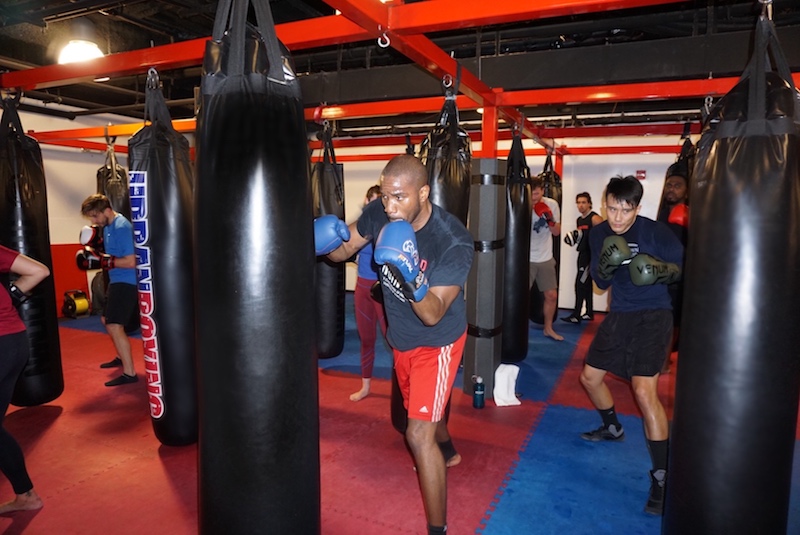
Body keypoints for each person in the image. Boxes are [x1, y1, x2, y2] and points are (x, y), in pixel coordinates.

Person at [315, 155, 472, 535]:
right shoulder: (379, 213)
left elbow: (432, 313)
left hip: (438, 341)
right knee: (425, 415)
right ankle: (448, 450)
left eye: (399, 197)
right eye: (385, 197)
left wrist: (409, 273)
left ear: (423, 192)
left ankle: (439, 529)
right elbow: (340, 253)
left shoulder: (454, 240)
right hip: (399, 339)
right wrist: (328, 238)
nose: (389, 207)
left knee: (416, 433)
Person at [579, 175, 683, 516]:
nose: (618, 218)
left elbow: (682, 270)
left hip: (655, 315)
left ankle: (662, 476)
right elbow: (599, 281)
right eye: (612, 208)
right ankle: (613, 426)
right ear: (605, 202)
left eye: (626, 210)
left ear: (637, 207)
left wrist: (660, 271)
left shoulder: (657, 232)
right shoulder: (598, 233)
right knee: (590, 379)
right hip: (621, 313)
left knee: (643, 390)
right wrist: (607, 265)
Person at [0, 245, 48, 514]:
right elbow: (38, 271)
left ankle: (26, 495)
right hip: (15, 341)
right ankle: (26, 495)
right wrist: (12, 295)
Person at [78, 194, 139, 387]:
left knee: (114, 324)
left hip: (127, 282)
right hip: (115, 280)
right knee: (106, 319)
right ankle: (121, 357)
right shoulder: (107, 227)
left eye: (95, 216)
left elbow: (132, 261)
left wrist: (104, 261)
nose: (94, 221)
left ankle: (130, 373)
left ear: (107, 211)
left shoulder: (122, 227)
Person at [350, 185, 388, 402]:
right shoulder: (361, 228)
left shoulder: (386, 229)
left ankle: (405, 385)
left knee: (392, 339)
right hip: (361, 289)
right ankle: (365, 386)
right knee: (366, 339)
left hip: (381, 289)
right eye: (370, 200)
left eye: (377, 201)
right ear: (366, 202)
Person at [656, 164, 689, 371]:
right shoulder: (662, 218)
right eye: (669, 185)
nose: (671, 189)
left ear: (687, 191)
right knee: (659, 318)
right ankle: (661, 357)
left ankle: (665, 360)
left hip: (679, 277)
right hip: (660, 275)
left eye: (677, 186)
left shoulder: (689, 214)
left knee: (673, 321)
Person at [529, 178, 563, 340]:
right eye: (531, 193)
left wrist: (549, 218)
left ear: (542, 190)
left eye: (536, 193)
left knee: (551, 295)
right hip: (525, 259)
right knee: (519, 297)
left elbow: (556, 232)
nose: (534, 196)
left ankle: (548, 328)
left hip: (545, 257)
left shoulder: (552, 204)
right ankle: (517, 331)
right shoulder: (521, 203)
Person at [561, 192, 603, 324]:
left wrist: (598, 256)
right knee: (586, 284)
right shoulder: (579, 220)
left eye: (583, 202)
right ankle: (589, 312)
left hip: (590, 256)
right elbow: (582, 237)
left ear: (589, 203)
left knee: (580, 284)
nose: (580, 205)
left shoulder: (595, 218)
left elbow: (605, 235)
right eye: (578, 202)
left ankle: (576, 314)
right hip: (582, 254)